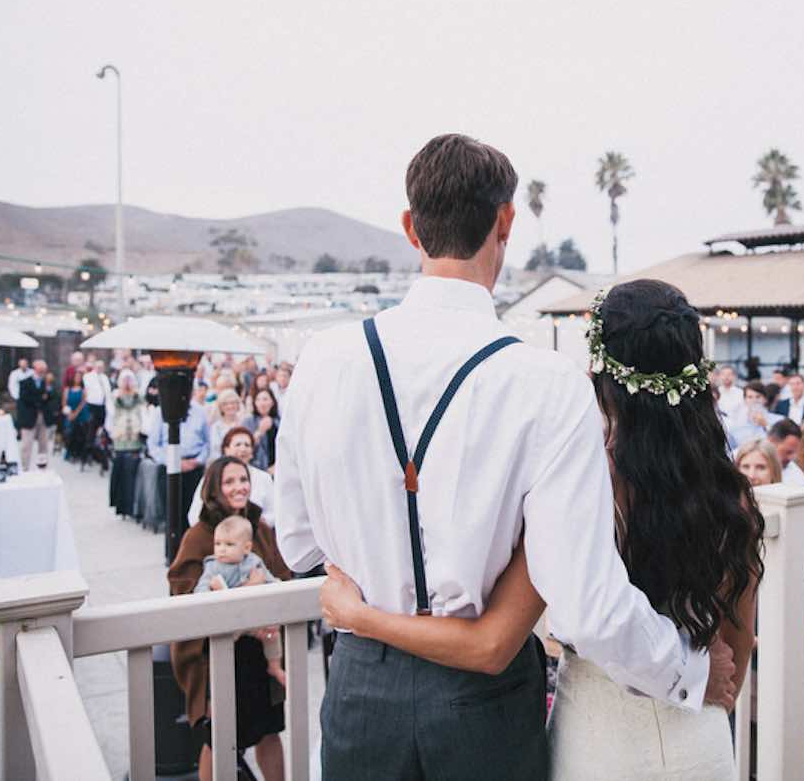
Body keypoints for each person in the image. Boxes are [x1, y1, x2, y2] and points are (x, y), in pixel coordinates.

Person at [286, 136, 741, 779]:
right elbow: (584, 602)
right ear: (505, 222)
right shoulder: (546, 383)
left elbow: (300, 541)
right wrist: (691, 669)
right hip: (483, 707)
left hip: (361, 692)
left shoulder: (320, 361)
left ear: (411, 228)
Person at [319, 279, 762, 780]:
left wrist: (359, 614)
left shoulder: (579, 485)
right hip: (699, 742)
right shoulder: (732, 495)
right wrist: (697, 683)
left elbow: (502, 637)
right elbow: (735, 656)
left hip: (598, 741)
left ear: (599, 369)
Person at [169, 457, 289, 781]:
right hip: (218, 655)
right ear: (214, 489)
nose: (239, 487)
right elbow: (183, 594)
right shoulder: (200, 535)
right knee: (219, 739)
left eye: (243, 479)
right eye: (230, 482)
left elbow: (281, 575)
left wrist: (268, 606)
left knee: (269, 731)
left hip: (259, 652)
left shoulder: (258, 526)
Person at [193, 513, 286, 688]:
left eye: (229, 544)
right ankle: (216, 683)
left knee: (273, 633)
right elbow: (200, 590)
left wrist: (277, 586)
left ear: (246, 548)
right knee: (225, 636)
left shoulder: (253, 562)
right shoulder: (212, 566)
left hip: (254, 617)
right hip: (230, 621)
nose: (221, 549)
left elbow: (270, 580)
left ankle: (275, 666)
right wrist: (215, 591)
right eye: (217, 544)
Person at [147, 392, 211, 541]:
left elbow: (207, 442)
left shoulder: (199, 411)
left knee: (194, 513)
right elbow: (153, 445)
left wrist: (198, 460)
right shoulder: (160, 412)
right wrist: (174, 463)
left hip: (193, 467)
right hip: (169, 467)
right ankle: (172, 554)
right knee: (172, 514)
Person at [189, 426, 276, 527]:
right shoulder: (212, 476)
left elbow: (274, 512)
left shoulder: (263, 478)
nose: (243, 449)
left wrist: (259, 522)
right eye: (238, 444)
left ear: (252, 453)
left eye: (247, 445)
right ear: (226, 450)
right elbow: (194, 516)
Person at [108, 370, 145, 517]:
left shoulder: (138, 397)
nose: (127, 383)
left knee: (133, 474)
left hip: (135, 441)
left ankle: (134, 505)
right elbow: (110, 416)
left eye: (130, 380)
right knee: (121, 473)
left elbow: (144, 412)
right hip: (120, 440)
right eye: (125, 380)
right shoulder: (115, 397)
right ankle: (122, 506)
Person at [17, 360, 58, 470]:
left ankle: (42, 466)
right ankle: (24, 467)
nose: (42, 373)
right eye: (40, 370)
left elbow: (52, 397)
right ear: (35, 369)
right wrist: (40, 398)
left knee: (43, 444)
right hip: (29, 417)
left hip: (43, 416)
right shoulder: (25, 382)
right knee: (26, 444)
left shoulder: (46, 383)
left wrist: (47, 394)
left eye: (44, 371)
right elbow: (25, 399)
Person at [765, 418, 804, 487]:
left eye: (795, 452)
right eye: (788, 452)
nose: (792, 457)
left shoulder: (797, 476)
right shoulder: (748, 468)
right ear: (771, 442)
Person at [243, 388, 279, 471]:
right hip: (257, 466)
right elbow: (247, 447)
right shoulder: (248, 421)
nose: (262, 403)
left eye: (265, 399)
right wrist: (260, 431)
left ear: (272, 402)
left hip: (277, 467)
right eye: (258, 400)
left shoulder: (279, 421)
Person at [207, 388, 245, 464]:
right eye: (225, 404)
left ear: (238, 405)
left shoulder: (244, 423)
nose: (230, 406)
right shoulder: (216, 427)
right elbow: (215, 450)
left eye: (233, 403)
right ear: (221, 407)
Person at [61, 372, 91, 462]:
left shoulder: (83, 390)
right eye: (76, 377)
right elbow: (64, 402)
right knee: (69, 434)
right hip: (70, 413)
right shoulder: (68, 389)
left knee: (80, 434)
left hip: (80, 414)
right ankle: (69, 452)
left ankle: (79, 454)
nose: (77, 379)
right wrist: (69, 413)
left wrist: (76, 413)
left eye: (79, 377)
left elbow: (83, 402)